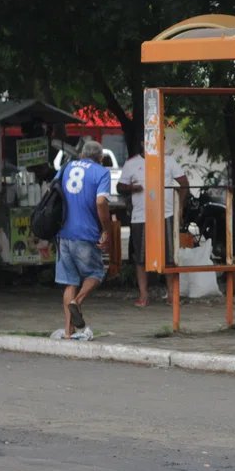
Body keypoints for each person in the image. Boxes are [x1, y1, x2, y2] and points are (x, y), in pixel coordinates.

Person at [118, 143, 188, 307]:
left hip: (166, 214)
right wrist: (131, 188)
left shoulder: (169, 161)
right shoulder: (132, 163)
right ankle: (144, 295)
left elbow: (184, 184)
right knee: (141, 259)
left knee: (169, 257)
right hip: (141, 216)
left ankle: (171, 295)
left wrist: (180, 207)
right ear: (143, 142)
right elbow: (119, 187)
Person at [56, 141, 112, 339]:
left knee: (69, 281)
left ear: (81, 155)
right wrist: (106, 230)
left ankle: (68, 333)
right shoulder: (101, 172)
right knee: (96, 272)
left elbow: (51, 192)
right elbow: (100, 201)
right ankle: (77, 302)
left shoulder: (66, 167)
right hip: (86, 233)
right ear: (101, 158)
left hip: (63, 232)